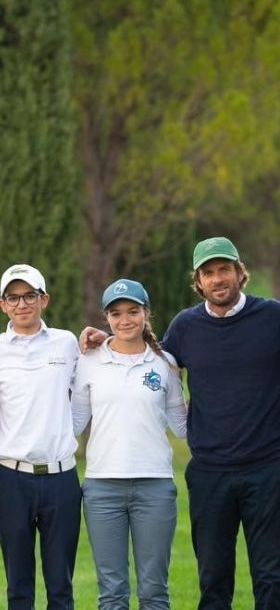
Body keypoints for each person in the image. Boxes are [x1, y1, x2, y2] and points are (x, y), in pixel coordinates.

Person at [82, 238, 280, 608]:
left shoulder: (272, 317)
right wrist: (109, 339)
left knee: (271, 575)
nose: (217, 278)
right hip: (209, 472)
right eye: (208, 273)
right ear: (198, 281)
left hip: (268, 469)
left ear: (240, 272)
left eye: (224, 270)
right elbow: (149, 358)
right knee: (214, 576)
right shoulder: (187, 326)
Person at [73, 279, 186, 609]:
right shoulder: (89, 361)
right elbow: (73, 423)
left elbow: (182, 426)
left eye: (133, 311)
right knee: (112, 592)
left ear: (146, 313)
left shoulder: (165, 363)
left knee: (154, 591)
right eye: (116, 313)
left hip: (155, 487)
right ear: (106, 318)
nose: (125, 320)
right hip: (102, 488)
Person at [0, 264, 81, 610]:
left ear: (45, 299)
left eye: (30, 295)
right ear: (2, 304)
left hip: (61, 479)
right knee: (18, 586)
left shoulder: (67, 342)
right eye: (13, 297)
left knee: (61, 586)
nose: (22, 304)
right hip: (12, 479)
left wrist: (100, 337)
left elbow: (95, 380)